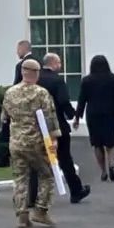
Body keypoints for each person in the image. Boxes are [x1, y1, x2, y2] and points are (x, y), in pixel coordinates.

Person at [1, 59, 61, 228]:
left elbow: (4, 117)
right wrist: (54, 139)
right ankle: (41, 210)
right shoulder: (41, 93)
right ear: (36, 73)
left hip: (16, 142)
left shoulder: (10, 93)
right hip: (36, 142)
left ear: (22, 72)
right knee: (47, 174)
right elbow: (50, 118)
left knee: (20, 178)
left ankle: (22, 215)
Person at [34, 53, 90, 204]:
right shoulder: (57, 81)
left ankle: (33, 194)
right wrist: (72, 115)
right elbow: (63, 100)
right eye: (59, 63)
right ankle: (76, 190)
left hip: (36, 125)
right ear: (53, 63)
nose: (60, 66)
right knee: (65, 158)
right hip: (57, 124)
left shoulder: (36, 79)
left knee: (36, 159)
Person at [73, 55, 114, 182]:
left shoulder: (86, 80)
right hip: (109, 113)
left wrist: (77, 117)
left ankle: (103, 171)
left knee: (97, 143)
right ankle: (111, 164)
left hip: (93, 114)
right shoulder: (113, 78)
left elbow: (81, 100)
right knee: (111, 142)